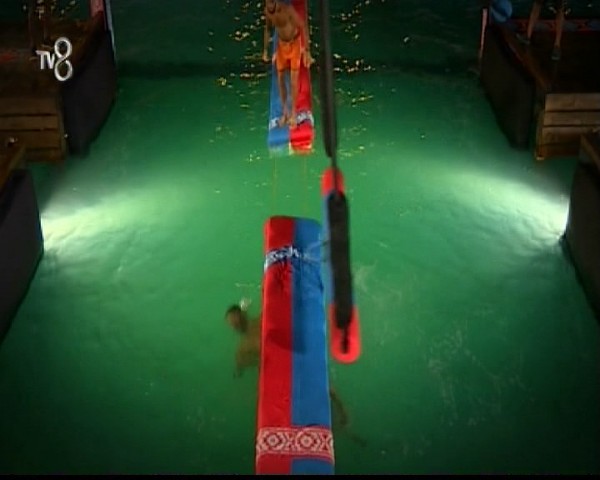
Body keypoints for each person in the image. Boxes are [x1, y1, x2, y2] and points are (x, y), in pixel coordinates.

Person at [225, 301, 367, 447]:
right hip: (286, 367)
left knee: (323, 389)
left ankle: (342, 424)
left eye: (235, 322)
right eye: (233, 323)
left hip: (291, 361)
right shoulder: (245, 345)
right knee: (320, 390)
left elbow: (241, 369)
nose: (235, 325)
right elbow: (241, 368)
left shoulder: (251, 337)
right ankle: (340, 425)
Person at [262, 0, 314, 128]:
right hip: (282, 46)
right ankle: (285, 112)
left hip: (294, 44)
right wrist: (265, 50)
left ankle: (294, 113)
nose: (269, 5)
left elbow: (302, 26)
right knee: (280, 78)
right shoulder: (268, 12)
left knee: (293, 80)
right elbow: (268, 30)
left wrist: (307, 51)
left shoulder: (287, 9)